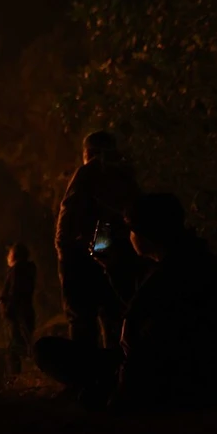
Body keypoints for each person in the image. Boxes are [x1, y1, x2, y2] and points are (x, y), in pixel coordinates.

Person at [35, 194, 217, 413]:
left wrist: (119, 396)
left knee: (47, 351)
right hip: (204, 374)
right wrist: (111, 266)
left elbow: (138, 335)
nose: (129, 237)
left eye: (130, 230)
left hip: (173, 377)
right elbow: (143, 308)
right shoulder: (190, 260)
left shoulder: (169, 273)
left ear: (145, 234)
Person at [55, 131, 140, 349]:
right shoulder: (126, 175)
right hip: (120, 252)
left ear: (88, 152)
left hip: (86, 252)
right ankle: (116, 371)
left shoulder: (88, 173)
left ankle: (88, 375)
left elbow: (69, 212)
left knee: (81, 317)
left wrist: (64, 251)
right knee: (115, 316)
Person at [0, 243, 36, 375]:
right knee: (23, 343)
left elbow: (14, 291)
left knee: (14, 347)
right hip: (26, 312)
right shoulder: (28, 269)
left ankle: (15, 376)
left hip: (16, 314)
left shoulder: (17, 269)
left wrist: (8, 308)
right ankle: (29, 372)